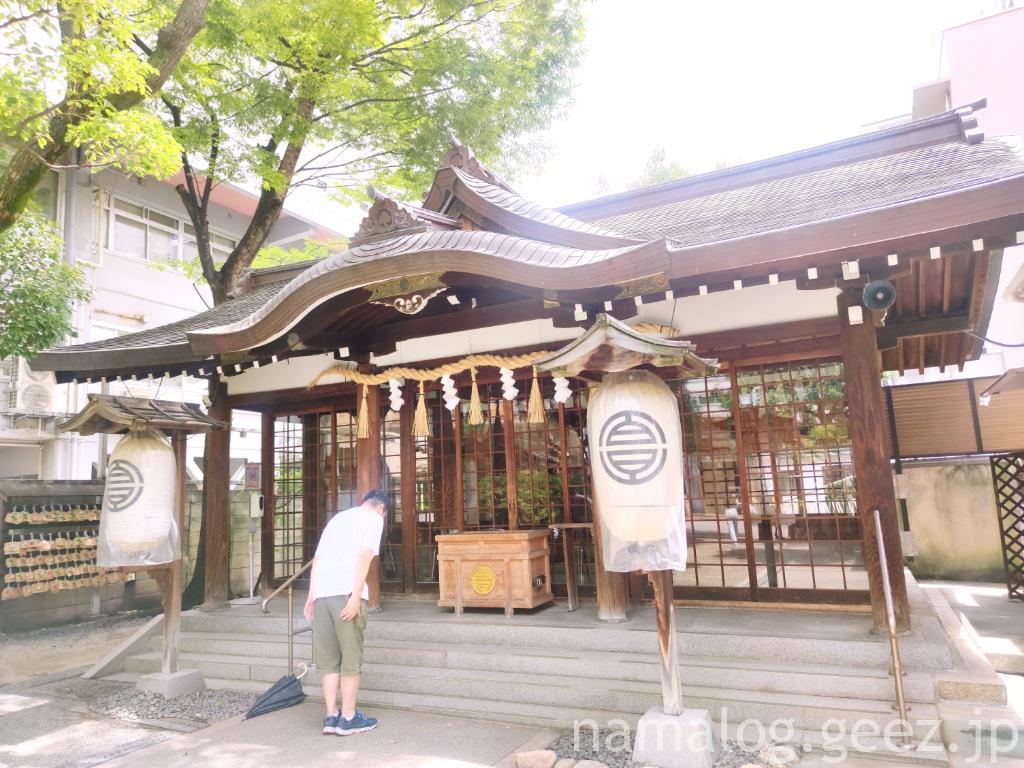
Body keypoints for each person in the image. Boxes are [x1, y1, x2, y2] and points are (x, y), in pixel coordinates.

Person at [304, 489, 386, 736]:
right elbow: (363, 557)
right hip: (345, 594)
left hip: (322, 595)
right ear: (381, 508)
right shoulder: (374, 519)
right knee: (350, 660)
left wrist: (311, 596)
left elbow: (317, 559)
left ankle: (331, 716)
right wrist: (355, 594)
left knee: (328, 662)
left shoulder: (337, 519)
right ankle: (349, 718)